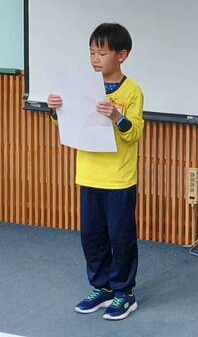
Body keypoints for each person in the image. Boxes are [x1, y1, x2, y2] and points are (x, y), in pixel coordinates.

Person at [47, 23, 145, 321]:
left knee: (120, 236)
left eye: (102, 53)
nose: (95, 59)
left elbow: (134, 133)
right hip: (88, 174)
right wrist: (56, 109)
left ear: (122, 55)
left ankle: (124, 293)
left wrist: (117, 116)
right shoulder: (84, 87)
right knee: (92, 235)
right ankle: (101, 287)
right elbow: (71, 122)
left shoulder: (132, 90)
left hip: (118, 177)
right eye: (92, 52)